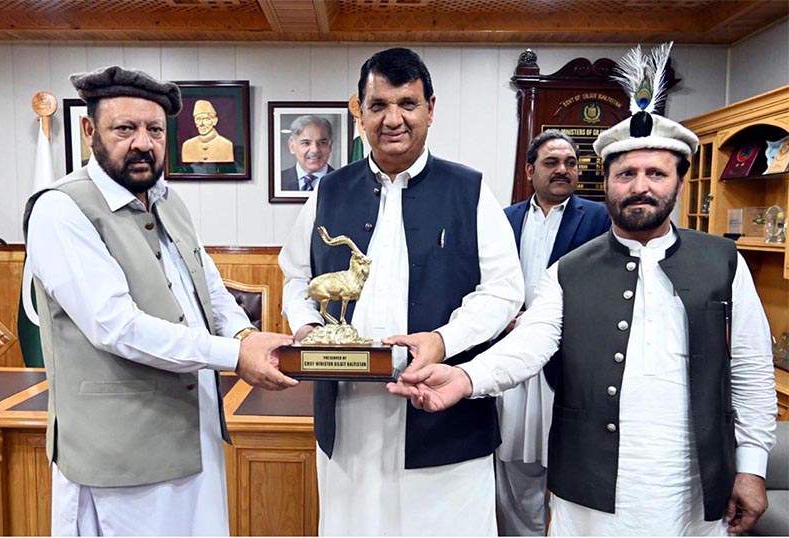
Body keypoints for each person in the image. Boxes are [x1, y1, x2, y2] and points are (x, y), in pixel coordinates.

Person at [389, 44, 777, 536]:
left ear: (679, 181)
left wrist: (752, 466)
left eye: (656, 173)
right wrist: (465, 379)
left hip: (692, 490)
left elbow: (751, 372)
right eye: (626, 174)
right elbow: (528, 345)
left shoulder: (724, 262)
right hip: (589, 496)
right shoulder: (570, 270)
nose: (641, 186)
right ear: (607, 183)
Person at [23, 65, 297, 536]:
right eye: (124, 128)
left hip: (193, 438)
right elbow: (116, 326)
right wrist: (235, 355)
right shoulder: (61, 209)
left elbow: (207, 287)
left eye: (153, 129)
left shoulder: (168, 200)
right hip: (120, 460)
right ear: (90, 130)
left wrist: (245, 333)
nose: (143, 143)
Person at [279, 47, 524, 536]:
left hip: (442, 412)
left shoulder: (469, 190)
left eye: (408, 104)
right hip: (350, 418)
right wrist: (307, 328)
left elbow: (504, 290)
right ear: (360, 112)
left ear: (431, 108)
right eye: (379, 105)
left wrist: (442, 341)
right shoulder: (328, 191)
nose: (394, 119)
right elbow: (294, 277)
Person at [495, 130, 610, 536]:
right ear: (530, 170)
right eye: (551, 162)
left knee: (564, 461)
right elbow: (486, 283)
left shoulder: (600, 219)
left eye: (570, 163)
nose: (563, 170)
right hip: (510, 356)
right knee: (513, 462)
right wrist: (503, 319)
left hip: (568, 362)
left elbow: (607, 289)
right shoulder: (503, 219)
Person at [280, 115, 335, 191]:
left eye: (322, 143)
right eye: (306, 143)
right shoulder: (278, 181)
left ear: (330, 146)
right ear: (292, 146)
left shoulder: (344, 182)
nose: (315, 150)